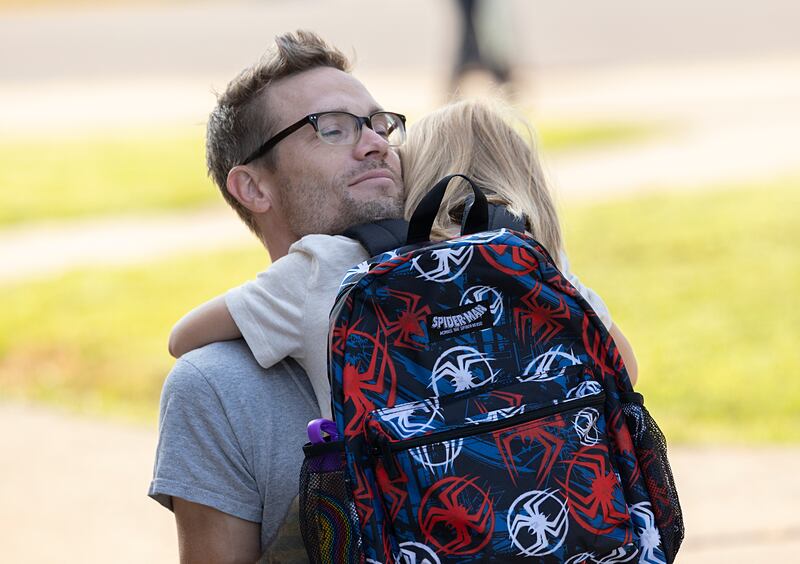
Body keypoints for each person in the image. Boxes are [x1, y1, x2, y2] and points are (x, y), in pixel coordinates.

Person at [149, 30, 405, 562]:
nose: (376, 143)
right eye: (331, 129)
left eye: (382, 126)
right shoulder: (217, 389)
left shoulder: (484, 299)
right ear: (252, 187)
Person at [401, 99, 638, 379]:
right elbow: (625, 370)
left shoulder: (400, 261)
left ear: (418, 175)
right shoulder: (531, 253)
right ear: (524, 178)